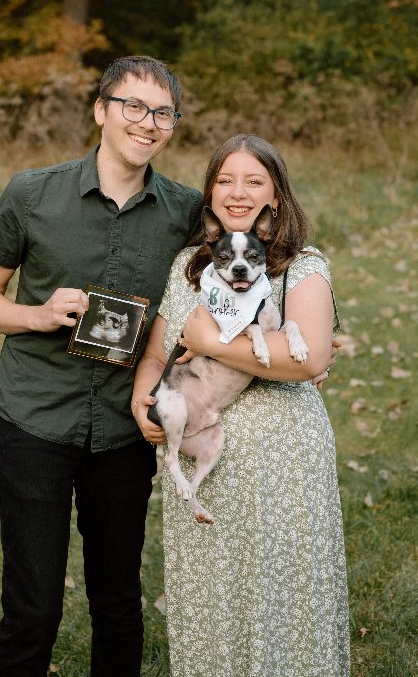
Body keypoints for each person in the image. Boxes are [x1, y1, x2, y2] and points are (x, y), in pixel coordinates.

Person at [0, 55, 202, 677]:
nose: (147, 123)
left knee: (118, 604)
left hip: (125, 431)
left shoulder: (186, 212)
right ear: (101, 110)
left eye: (162, 113)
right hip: (33, 420)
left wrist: (309, 335)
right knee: (33, 609)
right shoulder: (30, 193)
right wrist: (39, 315)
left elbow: (258, 256)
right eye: (133, 107)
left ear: (172, 125)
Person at [132, 133, 350, 677]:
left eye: (254, 181)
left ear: (275, 197)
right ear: (209, 193)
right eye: (225, 180)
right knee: (213, 598)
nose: (238, 192)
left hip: (283, 461)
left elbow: (307, 357)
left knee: (286, 599)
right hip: (205, 455)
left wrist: (208, 342)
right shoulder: (190, 263)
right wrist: (144, 394)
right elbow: (160, 350)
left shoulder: (301, 265)